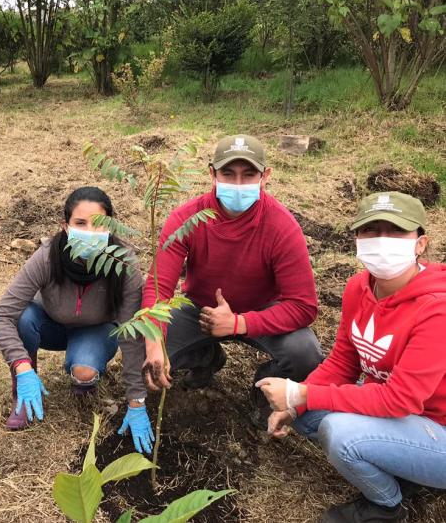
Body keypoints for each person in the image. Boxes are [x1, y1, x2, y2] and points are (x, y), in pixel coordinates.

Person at [257, 191, 446, 523]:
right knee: (303, 412)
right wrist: (295, 403)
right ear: (357, 238)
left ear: (420, 243)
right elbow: (343, 362)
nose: (381, 241)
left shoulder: (437, 308)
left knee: (340, 433)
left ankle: (386, 506)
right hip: (401, 418)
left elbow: (399, 399)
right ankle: (402, 464)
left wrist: (301, 392)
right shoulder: (359, 287)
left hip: (437, 429)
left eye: (395, 231)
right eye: (370, 231)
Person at [136, 134, 323, 426]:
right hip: (200, 311)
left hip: (263, 310)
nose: (238, 184)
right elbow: (159, 286)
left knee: (305, 354)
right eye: (228, 174)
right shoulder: (187, 218)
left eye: (248, 175)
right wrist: (154, 342)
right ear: (212, 173)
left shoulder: (282, 227)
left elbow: (303, 306)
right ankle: (206, 358)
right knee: (142, 346)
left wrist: (239, 323)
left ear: (266, 176)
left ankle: (265, 389)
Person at [0, 187, 152, 452]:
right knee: (23, 317)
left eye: (99, 225)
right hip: (50, 325)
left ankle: (84, 377)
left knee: (84, 371)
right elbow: (2, 314)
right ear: (65, 226)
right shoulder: (47, 256)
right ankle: (23, 393)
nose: (89, 232)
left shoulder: (124, 264)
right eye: (80, 223)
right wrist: (22, 368)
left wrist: (136, 401)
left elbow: (131, 333)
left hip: (96, 329)